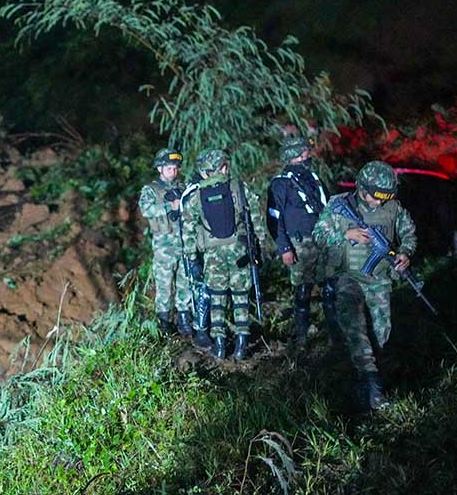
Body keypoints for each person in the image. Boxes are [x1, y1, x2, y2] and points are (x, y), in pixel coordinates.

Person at [312, 161, 417, 410]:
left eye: (385, 197)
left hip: (379, 280)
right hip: (347, 277)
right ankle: (371, 387)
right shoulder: (340, 205)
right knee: (356, 331)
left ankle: (376, 378)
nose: (379, 203)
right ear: (362, 189)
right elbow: (318, 234)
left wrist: (405, 253)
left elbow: (409, 233)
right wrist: (345, 235)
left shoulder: (393, 208)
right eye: (375, 197)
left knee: (383, 332)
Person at [181, 148, 268, 359]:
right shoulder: (239, 188)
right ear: (224, 167)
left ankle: (219, 344)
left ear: (204, 172)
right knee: (240, 297)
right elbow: (255, 217)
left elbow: (188, 230)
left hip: (212, 256)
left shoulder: (196, 196)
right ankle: (241, 344)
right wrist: (261, 243)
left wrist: (191, 257)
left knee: (217, 298)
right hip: (239, 251)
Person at [266, 137, 336, 347]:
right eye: (302, 154)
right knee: (302, 290)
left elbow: (328, 206)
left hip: (322, 240)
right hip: (299, 244)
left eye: (306, 154)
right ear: (291, 157)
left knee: (330, 288)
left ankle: (335, 335)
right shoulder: (280, 183)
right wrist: (284, 248)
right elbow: (273, 218)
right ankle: (302, 338)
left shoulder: (314, 178)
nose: (307, 157)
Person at [138, 148, 193, 336]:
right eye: (169, 168)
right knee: (164, 286)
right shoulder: (151, 190)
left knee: (185, 283)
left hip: (185, 244)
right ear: (160, 169)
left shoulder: (184, 187)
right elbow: (146, 210)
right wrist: (170, 206)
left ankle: (185, 320)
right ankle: (165, 323)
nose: (173, 172)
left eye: (176, 168)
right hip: (164, 247)